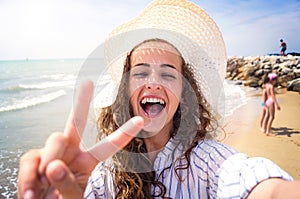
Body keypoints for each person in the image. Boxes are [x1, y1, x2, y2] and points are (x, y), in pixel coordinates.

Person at [17, 0, 300, 198]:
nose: (153, 82)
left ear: (184, 94)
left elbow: (260, 185)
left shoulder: (207, 162)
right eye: (140, 73)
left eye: (167, 74)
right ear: (125, 90)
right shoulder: (101, 177)